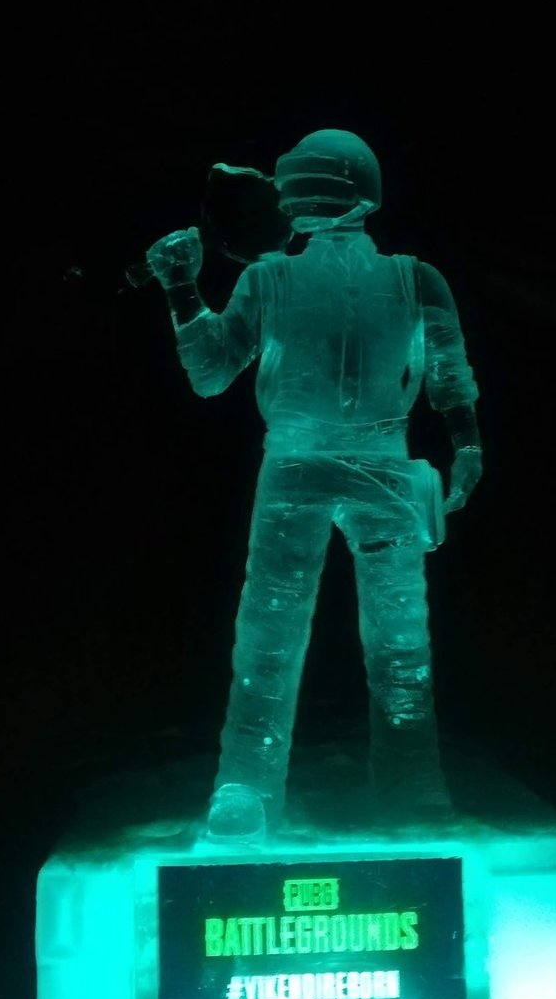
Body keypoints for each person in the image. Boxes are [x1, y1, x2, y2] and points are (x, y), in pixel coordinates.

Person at [149, 129, 482, 841]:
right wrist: (467, 445)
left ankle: (304, 783)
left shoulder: (371, 279)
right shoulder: (304, 279)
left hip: (349, 464)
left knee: (340, 636)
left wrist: (181, 289)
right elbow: (213, 374)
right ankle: (279, 784)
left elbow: (210, 372)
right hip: (325, 462)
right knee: (345, 636)